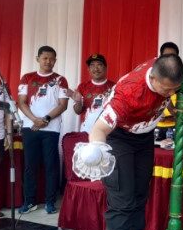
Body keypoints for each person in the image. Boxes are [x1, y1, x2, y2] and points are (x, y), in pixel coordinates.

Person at [86, 54, 183, 230]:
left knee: (140, 195)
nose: (170, 94)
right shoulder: (129, 93)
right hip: (118, 137)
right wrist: (98, 156)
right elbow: (97, 130)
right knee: (122, 201)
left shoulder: (168, 72)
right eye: (166, 89)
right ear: (152, 77)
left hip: (143, 137)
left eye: (175, 89)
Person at [17, 45, 69, 215]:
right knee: (30, 166)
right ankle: (29, 201)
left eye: (51, 58)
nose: (48, 61)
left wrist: (45, 119)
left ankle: (50, 202)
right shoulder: (27, 78)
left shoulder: (61, 79)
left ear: (55, 60)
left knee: (50, 166)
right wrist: (34, 120)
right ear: (37, 59)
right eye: (45, 58)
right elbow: (22, 102)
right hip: (30, 127)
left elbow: (63, 105)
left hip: (51, 129)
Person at [155, 42, 183, 139]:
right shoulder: (154, 75)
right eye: (166, 56)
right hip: (155, 125)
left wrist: (181, 116)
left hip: (177, 125)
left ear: (178, 58)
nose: (169, 59)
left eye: (173, 56)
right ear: (160, 57)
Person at [71, 53, 115, 133]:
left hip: (107, 132)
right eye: (92, 65)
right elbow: (77, 111)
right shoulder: (82, 86)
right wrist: (78, 102)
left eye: (99, 65)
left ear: (105, 68)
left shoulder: (114, 87)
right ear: (88, 69)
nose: (96, 68)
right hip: (86, 130)